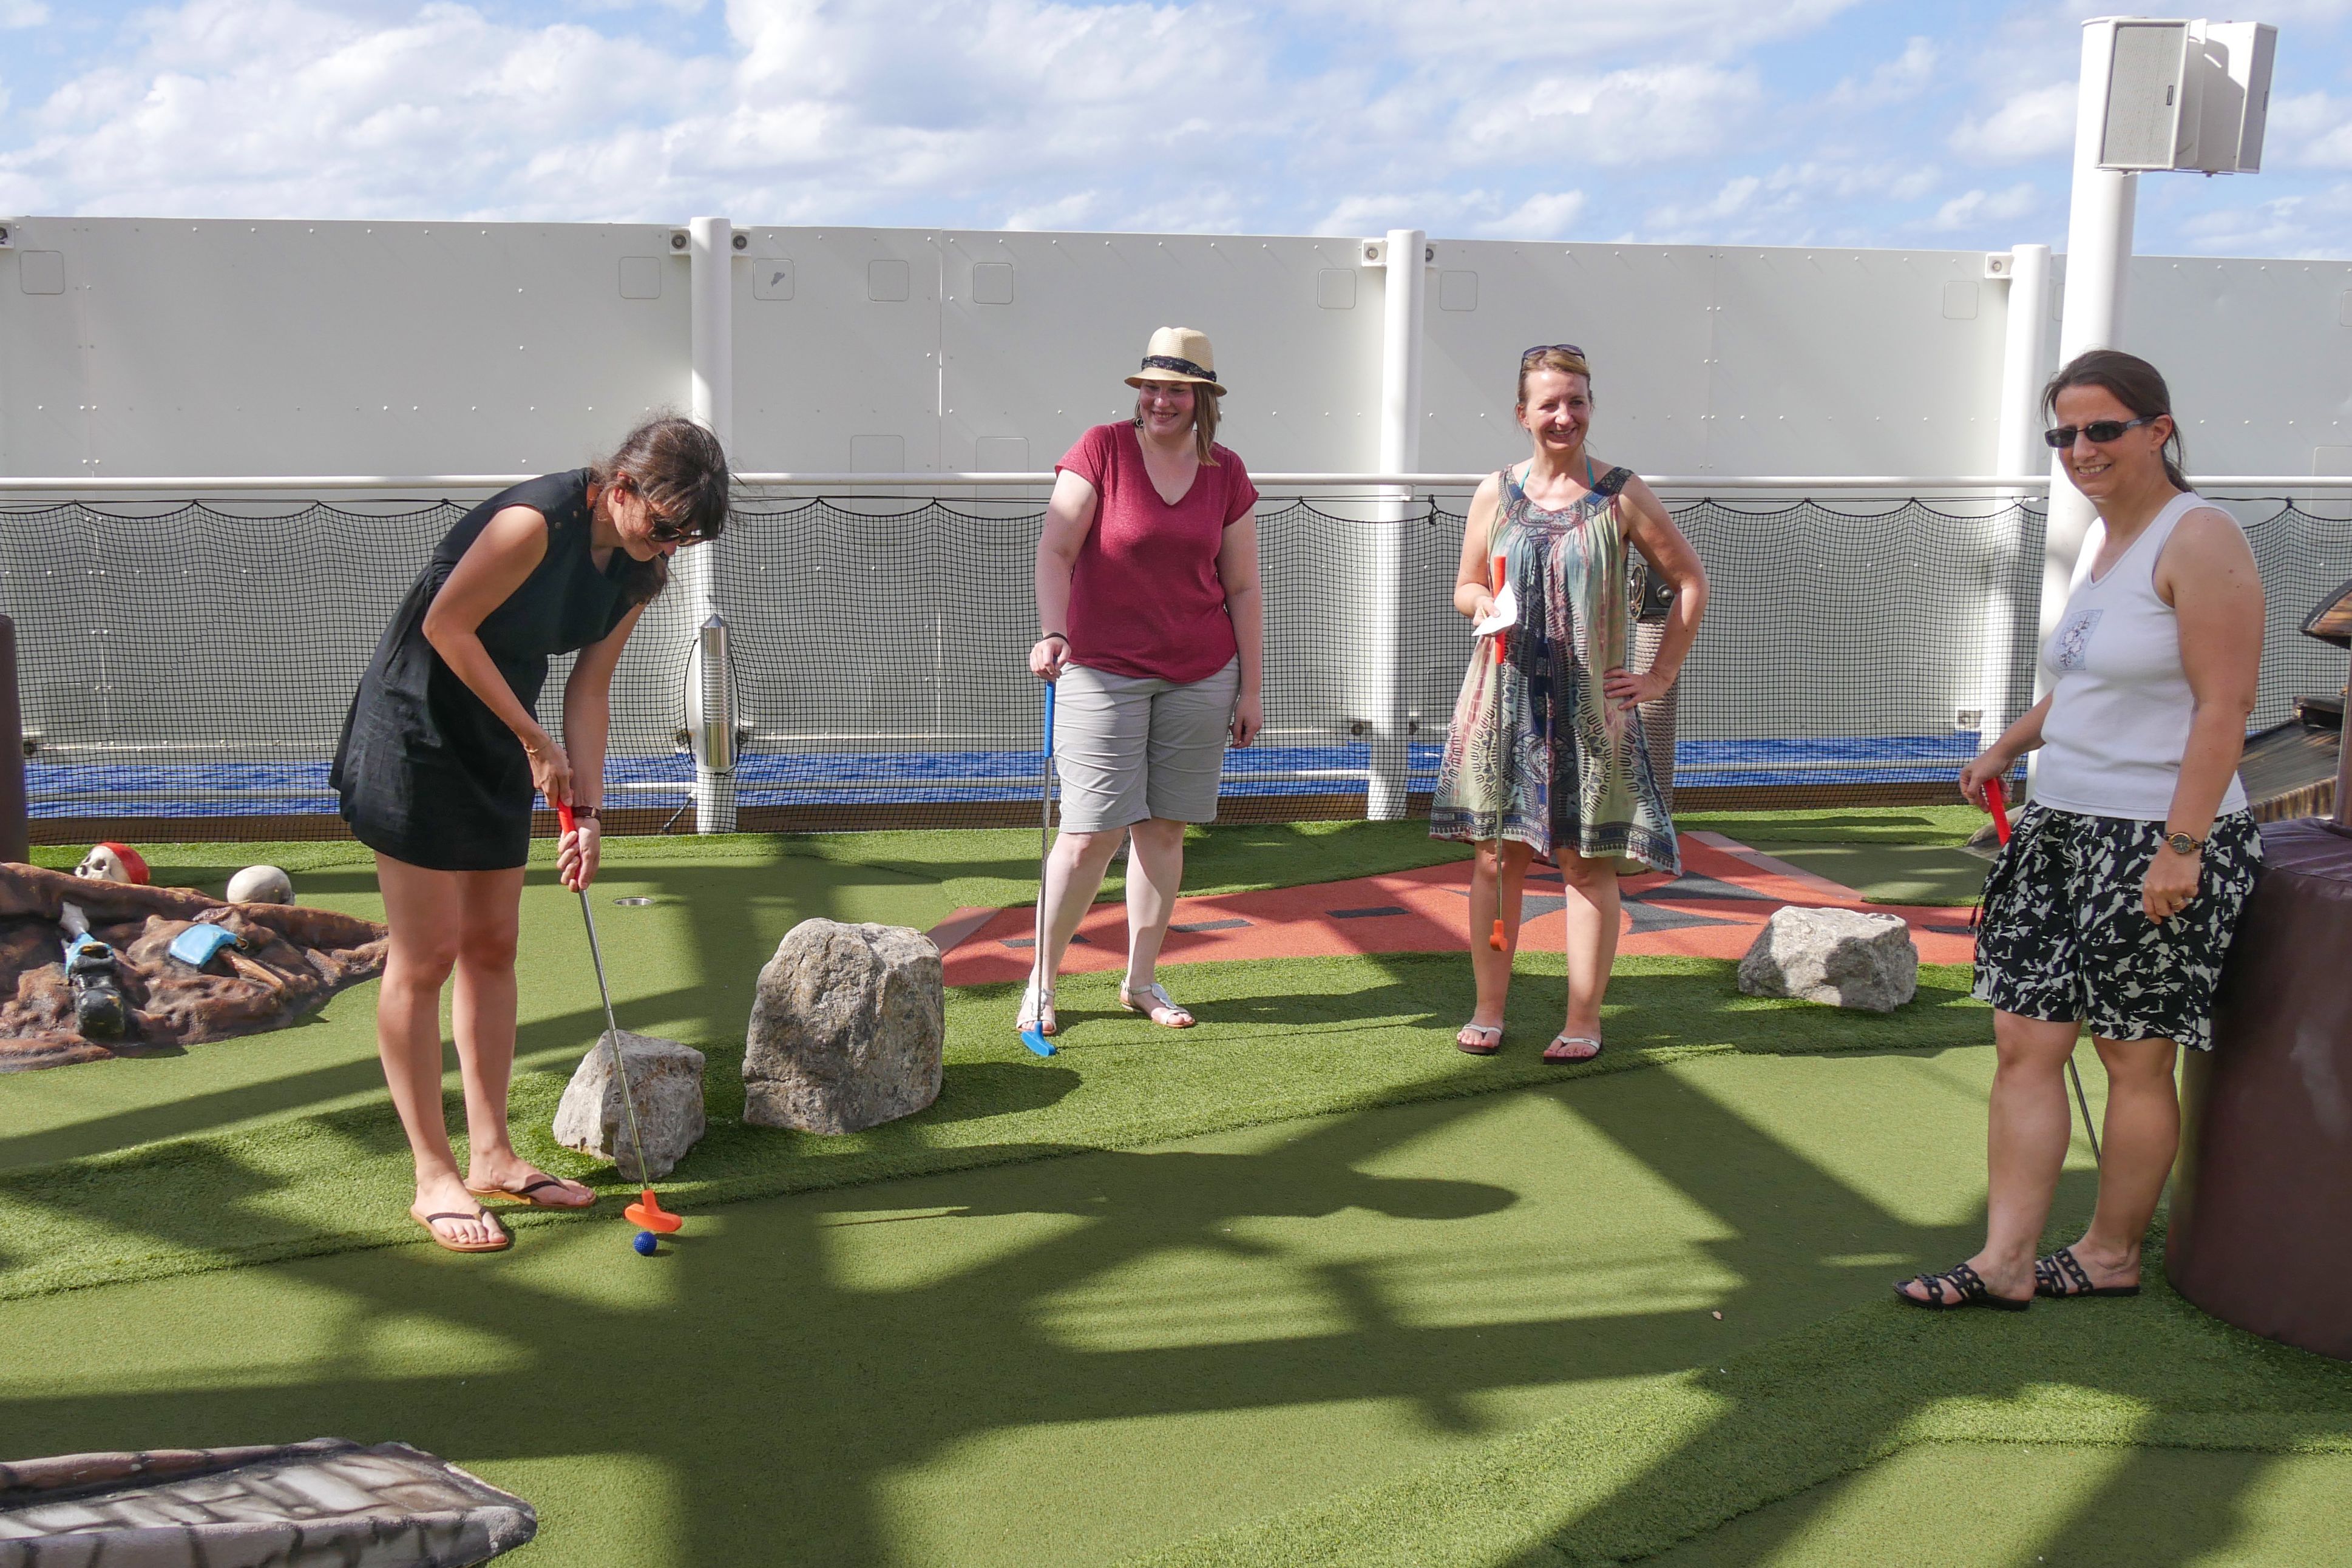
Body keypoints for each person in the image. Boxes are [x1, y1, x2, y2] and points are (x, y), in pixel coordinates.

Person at [1900, 350, 2263, 1311]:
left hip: (2153, 837)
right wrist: (2003, 749)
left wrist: (2180, 847)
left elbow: (2223, 708)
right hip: (2059, 829)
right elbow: (2084, 687)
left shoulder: (2200, 536)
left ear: (2158, 428)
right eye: (2062, 433)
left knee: (2131, 1055)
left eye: (2101, 428)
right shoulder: (2106, 545)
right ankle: (2004, 1261)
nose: (2078, 449)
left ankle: (2108, 1253)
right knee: (2023, 1040)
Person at [332, 416, 730, 1254]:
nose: (668, 551)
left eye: (684, 540)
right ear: (620, 488)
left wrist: (587, 812)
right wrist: (534, 745)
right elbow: (447, 626)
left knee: (493, 946)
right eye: (662, 528)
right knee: (427, 953)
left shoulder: (637, 574)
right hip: (412, 732)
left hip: (497, 735)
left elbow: (589, 691)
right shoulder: (529, 526)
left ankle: (491, 1156)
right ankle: (432, 1175)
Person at [1429, 345, 1707, 1061]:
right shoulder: (1494, 491)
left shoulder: (1620, 493)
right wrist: (1481, 600)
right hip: (1503, 702)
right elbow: (1463, 586)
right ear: (1521, 414)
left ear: (1590, 406)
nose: (1563, 415)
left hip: (1590, 713)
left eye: (1576, 401)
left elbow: (1689, 583)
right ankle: (1489, 1007)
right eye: (1548, 403)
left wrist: (1657, 677)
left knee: (1587, 864)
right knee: (1496, 859)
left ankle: (1583, 1018)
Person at [1022, 327, 1264, 1038]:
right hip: (1100, 670)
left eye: (1176, 389)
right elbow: (1056, 549)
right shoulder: (1100, 449)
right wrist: (1051, 629)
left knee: (1163, 830)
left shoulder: (1226, 471)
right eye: (1151, 386)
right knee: (1089, 833)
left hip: (1201, 672)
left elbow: (1242, 587)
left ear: (1201, 399)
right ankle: (1041, 978)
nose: (1159, 400)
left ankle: (1140, 979)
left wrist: (1250, 689)